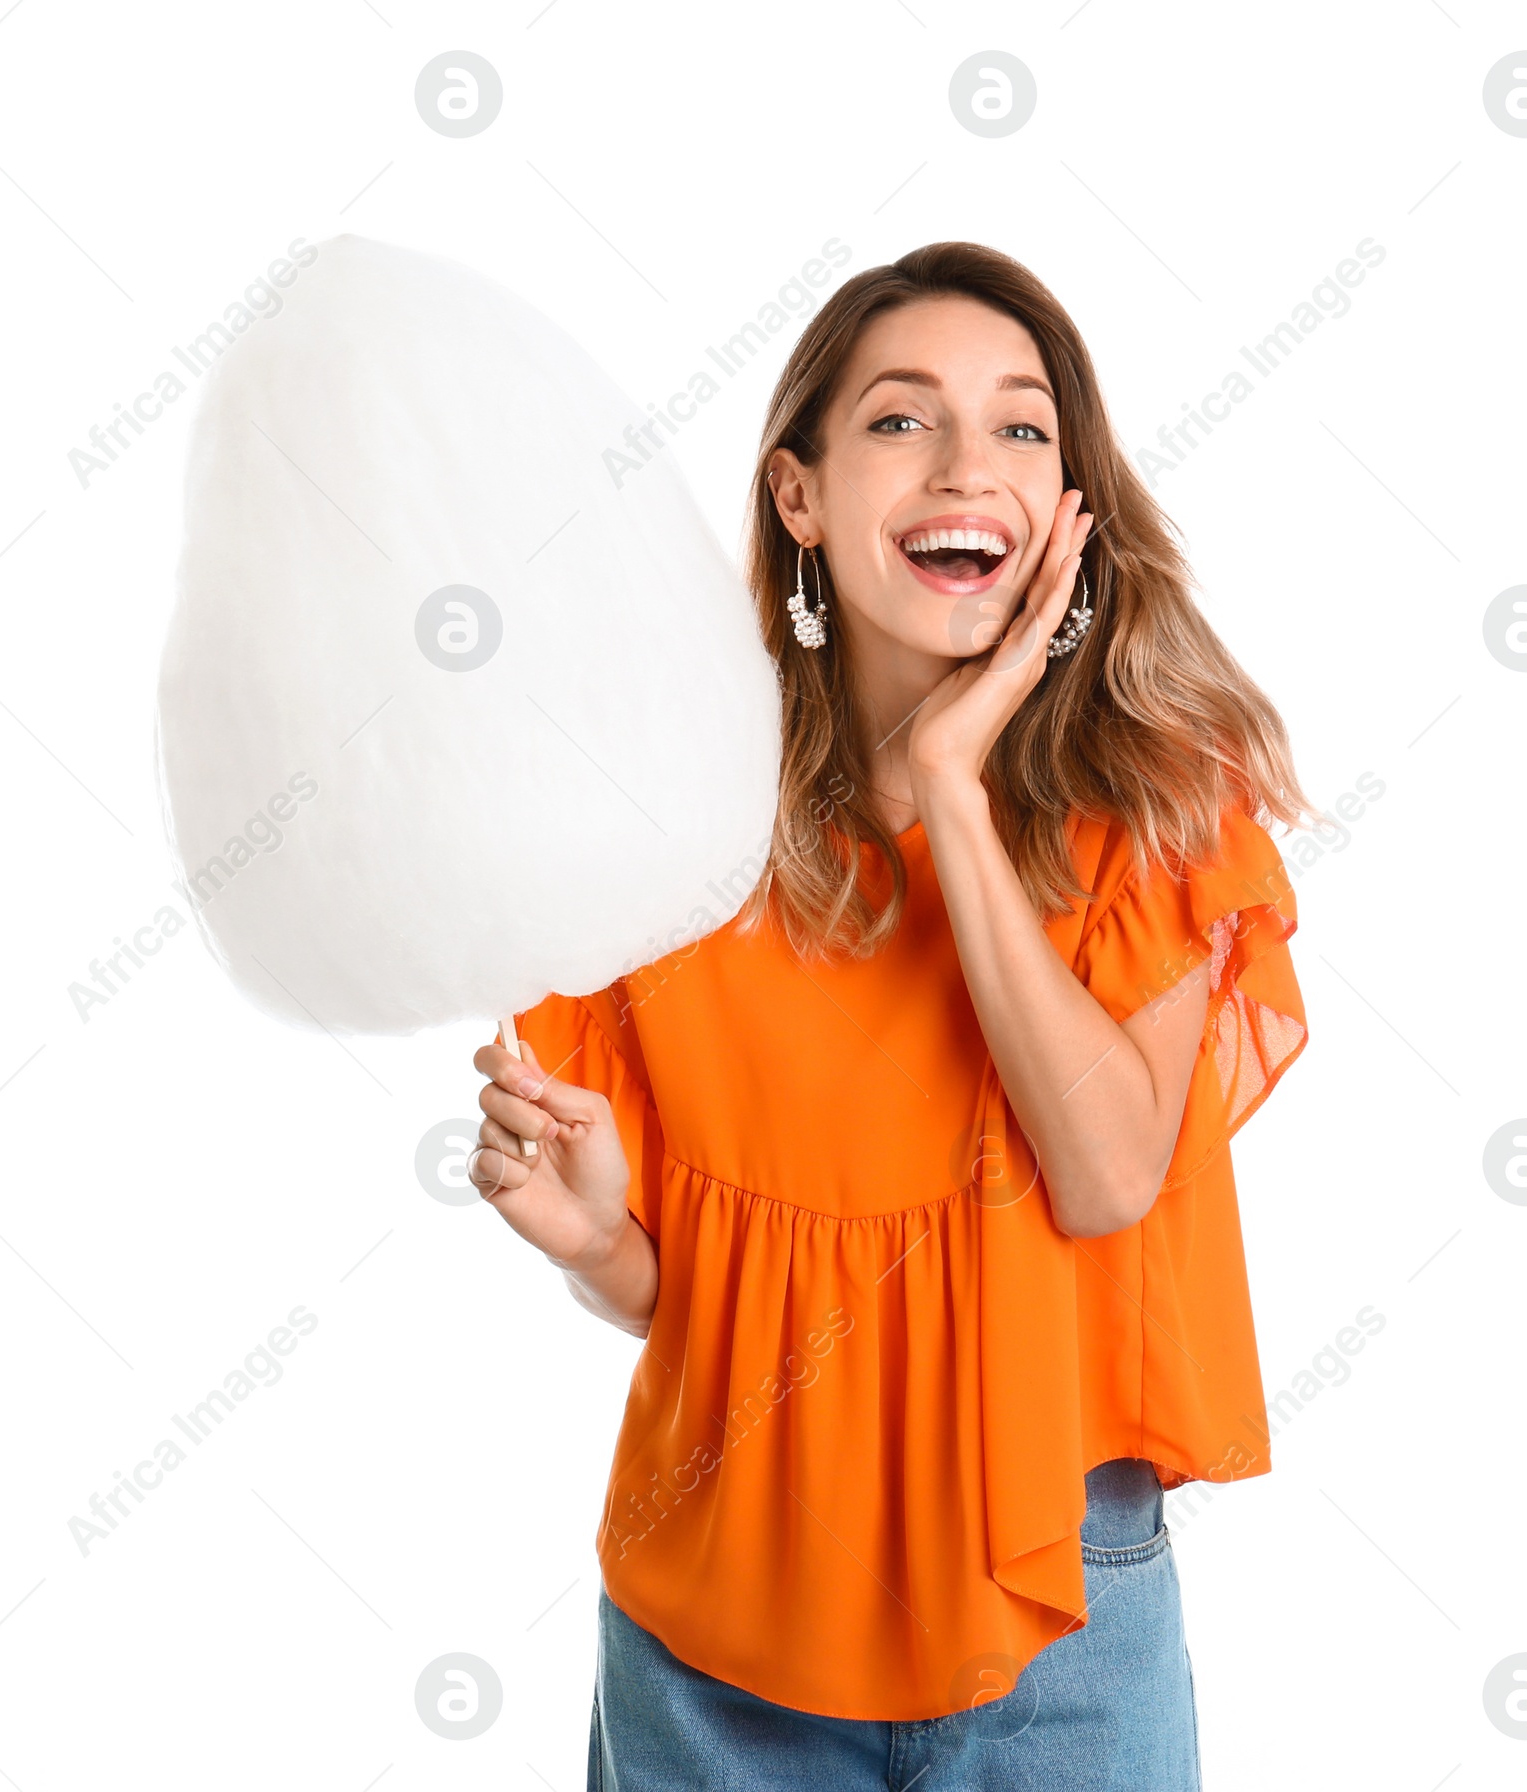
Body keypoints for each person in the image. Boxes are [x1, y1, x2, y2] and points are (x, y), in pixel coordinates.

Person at [468, 241, 1310, 1791]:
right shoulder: (673, 822)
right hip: (716, 1636)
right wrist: (597, 1243)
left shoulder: (1163, 796)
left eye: (1021, 427)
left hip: (1060, 1623)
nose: (964, 465)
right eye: (902, 421)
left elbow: (1109, 1173)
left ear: (1068, 505)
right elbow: (686, 1296)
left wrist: (952, 793)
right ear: (802, 495)